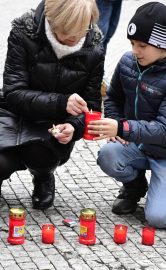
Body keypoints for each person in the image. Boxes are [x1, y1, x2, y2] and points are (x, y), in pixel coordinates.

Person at [87, 2, 166, 228]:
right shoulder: (128, 61)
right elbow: (114, 96)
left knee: (158, 219)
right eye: (133, 43)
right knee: (108, 154)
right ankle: (135, 186)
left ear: (162, 44)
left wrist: (122, 128)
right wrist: (117, 125)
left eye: (142, 45)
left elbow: (165, 130)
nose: (135, 50)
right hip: (138, 144)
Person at [0, 0, 104, 210]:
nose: (76, 39)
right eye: (69, 33)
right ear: (53, 21)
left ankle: (43, 177)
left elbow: (92, 108)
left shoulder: (93, 48)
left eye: (82, 30)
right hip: (12, 114)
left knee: (41, 156)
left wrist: (74, 126)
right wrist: (60, 102)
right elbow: (12, 93)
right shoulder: (24, 33)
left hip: (51, 126)